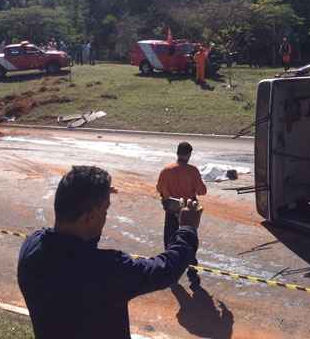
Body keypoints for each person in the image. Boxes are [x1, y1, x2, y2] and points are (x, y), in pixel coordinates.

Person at [18, 166, 203, 339]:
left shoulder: (32, 247)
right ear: (89, 217)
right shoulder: (106, 269)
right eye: (105, 211)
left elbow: (76, 243)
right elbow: (166, 270)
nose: (105, 216)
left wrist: (94, 198)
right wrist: (188, 228)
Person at [156, 142, 207, 288]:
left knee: (170, 240)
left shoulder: (166, 170)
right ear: (189, 154)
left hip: (172, 210)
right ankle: (193, 276)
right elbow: (202, 191)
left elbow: (160, 189)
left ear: (177, 153)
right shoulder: (193, 171)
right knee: (189, 242)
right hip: (189, 213)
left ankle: (170, 274)